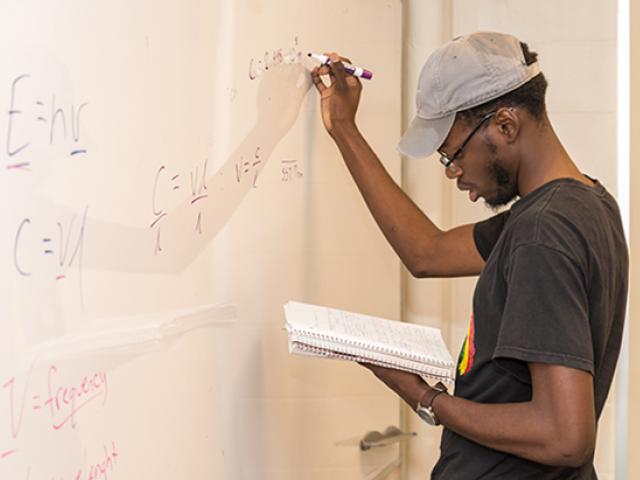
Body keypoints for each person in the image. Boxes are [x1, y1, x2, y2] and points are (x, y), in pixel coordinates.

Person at [311, 31, 628, 479]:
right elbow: (428, 253)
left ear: (505, 125)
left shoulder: (542, 233)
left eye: (453, 155)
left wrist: (429, 399)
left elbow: (564, 438)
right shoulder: (581, 204)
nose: (453, 174)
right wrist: (345, 129)